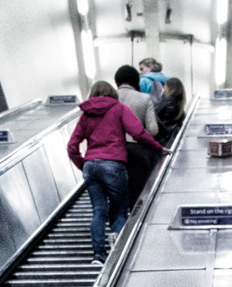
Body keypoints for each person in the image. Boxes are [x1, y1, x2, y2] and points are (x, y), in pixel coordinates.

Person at [67, 79, 162, 264]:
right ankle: (117, 243)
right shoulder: (119, 108)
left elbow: (72, 146)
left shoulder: (86, 114)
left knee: (98, 210)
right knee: (119, 210)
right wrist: (158, 147)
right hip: (113, 164)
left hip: (91, 165)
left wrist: (83, 164)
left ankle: (98, 255)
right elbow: (138, 133)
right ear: (112, 92)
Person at [112, 64, 162, 201]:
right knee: (136, 193)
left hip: (111, 152)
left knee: (115, 196)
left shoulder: (108, 99)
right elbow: (153, 130)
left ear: (116, 81)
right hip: (137, 151)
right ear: (136, 81)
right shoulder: (144, 98)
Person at [152, 77, 187, 147]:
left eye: (165, 85)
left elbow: (152, 113)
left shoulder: (167, 100)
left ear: (169, 88)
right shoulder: (179, 102)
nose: (163, 88)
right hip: (171, 137)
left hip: (163, 137)